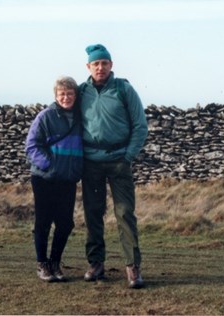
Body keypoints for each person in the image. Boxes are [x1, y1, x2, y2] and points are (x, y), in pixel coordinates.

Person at [79, 44, 148, 289]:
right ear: (88, 66)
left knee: (125, 213)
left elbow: (140, 125)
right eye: (95, 64)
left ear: (111, 65)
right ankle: (96, 264)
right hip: (91, 163)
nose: (100, 68)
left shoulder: (124, 90)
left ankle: (133, 267)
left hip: (119, 161)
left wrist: (127, 156)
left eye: (104, 63)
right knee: (93, 213)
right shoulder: (81, 92)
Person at [25, 76, 83, 282]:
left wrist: (76, 170)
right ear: (55, 96)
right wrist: (49, 165)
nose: (66, 97)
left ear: (75, 95)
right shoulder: (45, 116)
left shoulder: (80, 118)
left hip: (67, 179)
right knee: (43, 221)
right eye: (62, 94)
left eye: (70, 93)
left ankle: (55, 263)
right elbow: (31, 146)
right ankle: (42, 264)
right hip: (44, 178)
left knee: (65, 223)